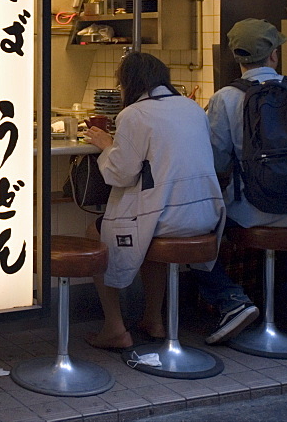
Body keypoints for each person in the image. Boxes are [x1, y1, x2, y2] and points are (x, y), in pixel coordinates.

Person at [193, 18, 287, 344]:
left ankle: (232, 300)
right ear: (274, 54)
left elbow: (216, 160)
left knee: (197, 229)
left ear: (237, 57)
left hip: (249, 207)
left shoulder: (226, 97)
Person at [82, 52, 225, 349]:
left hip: (164, 218)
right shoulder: (192, 108)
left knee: (95, 236)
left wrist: (106, 144)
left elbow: (120, 174)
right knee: (148, 238)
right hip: (205, 215)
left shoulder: (134, 114)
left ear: (129, 83)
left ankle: (115, 328)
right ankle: (154, 320)